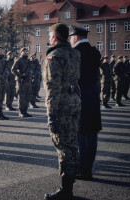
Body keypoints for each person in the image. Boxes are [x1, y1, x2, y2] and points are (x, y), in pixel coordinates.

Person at [43, 23, 81, 200]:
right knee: (72, 143)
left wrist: (51, 114)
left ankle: (65, 190)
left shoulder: (55, 56)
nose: (49, 39)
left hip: (62, 105)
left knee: (63, 146)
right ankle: (69, 185)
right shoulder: (75, 52)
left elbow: (52, 88)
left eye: (50, 35)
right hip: (74, 101)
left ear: (55, 37)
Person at [69, 25, 102, 180]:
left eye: (71, 38)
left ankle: (83, 169)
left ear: (75, 38)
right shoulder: (95, 52)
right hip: (93, 98)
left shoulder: (75, 53)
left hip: (80, 97)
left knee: (81, 135)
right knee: (92, 134)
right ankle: (89, 168)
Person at [11, 47, 32, 117]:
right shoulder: (19, 60)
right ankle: (21, 112)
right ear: (21, 52)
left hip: (28, 81)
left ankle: (25, 111)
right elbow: (13, 69)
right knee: (21, 97)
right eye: (24, 51)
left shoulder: (28, 61)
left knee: (27, 97)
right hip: (21, 81)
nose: (25, 52)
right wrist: (21, 76)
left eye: (26, 51)